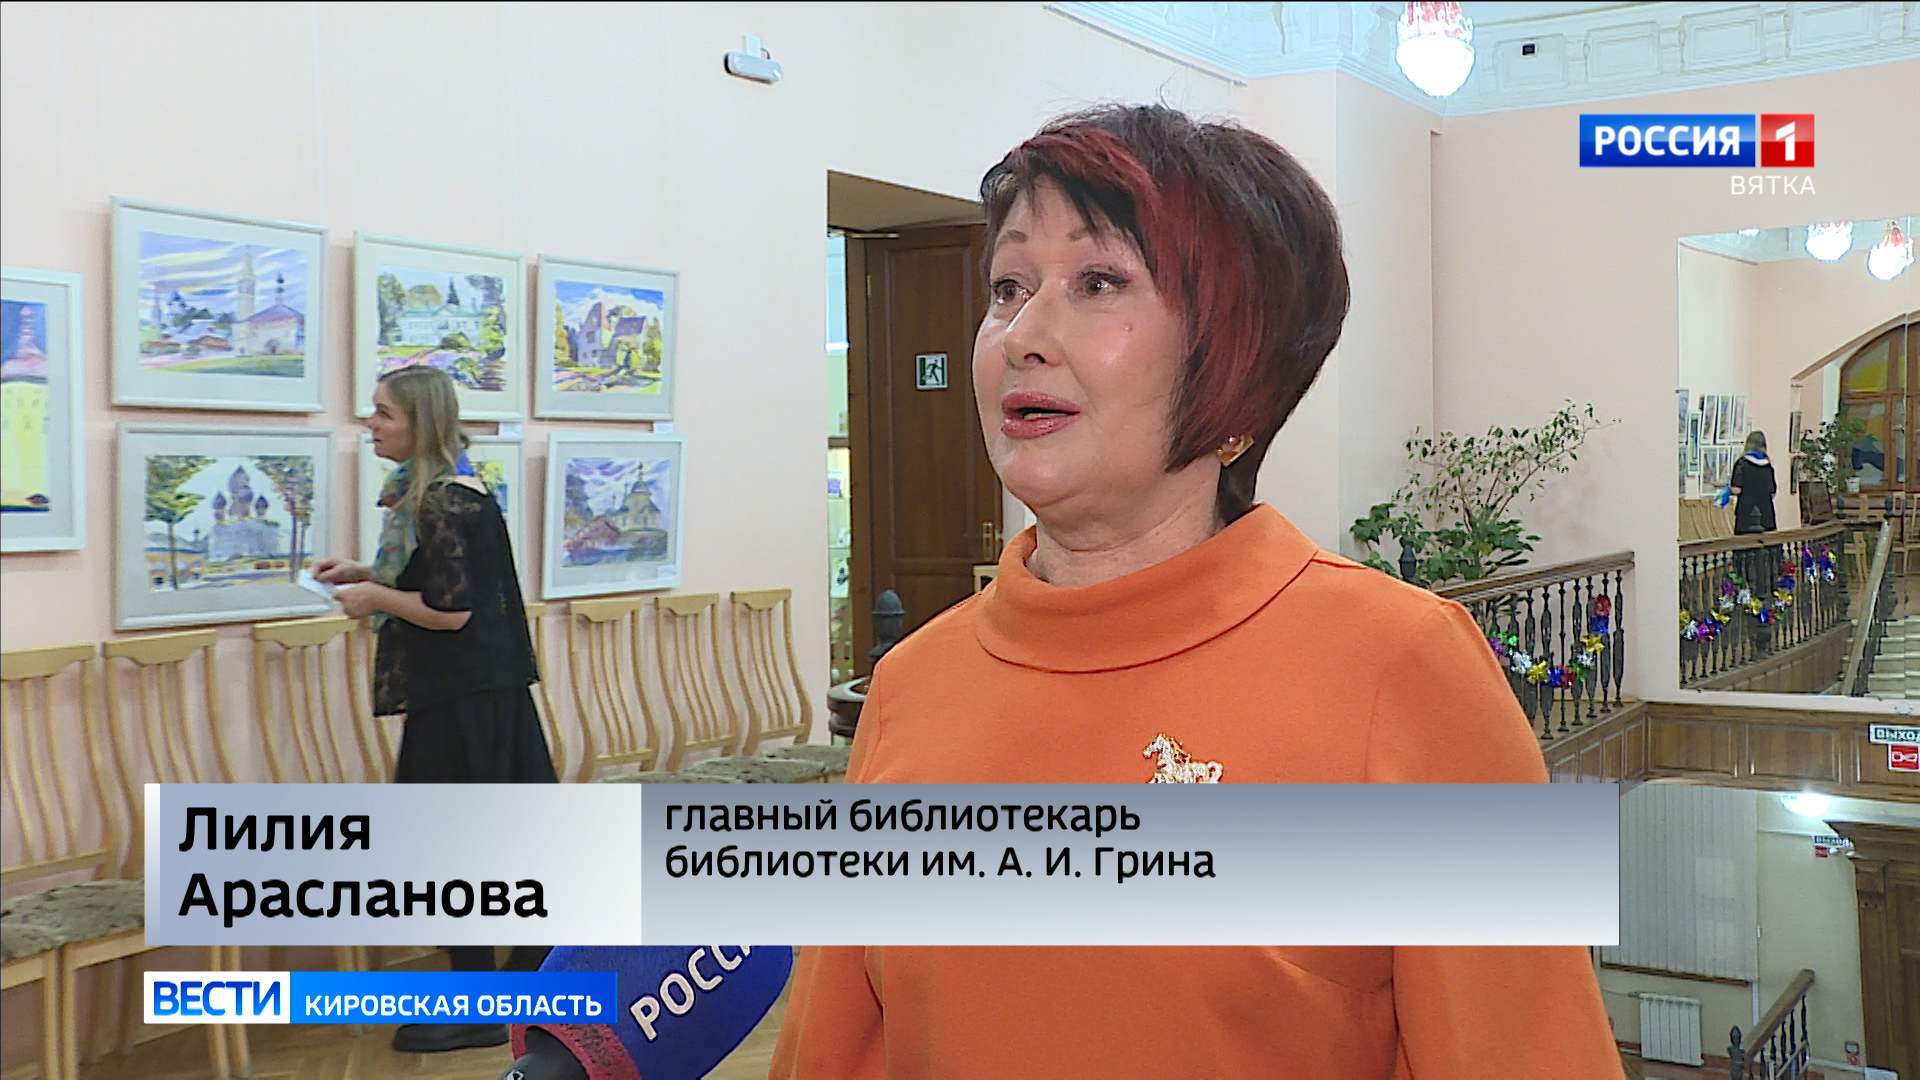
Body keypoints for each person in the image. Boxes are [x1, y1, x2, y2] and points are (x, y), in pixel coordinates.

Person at [771, 105, 1622, 1078]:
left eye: (1098, 282)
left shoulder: (1405, 668)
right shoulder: (914, 684)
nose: (1023, 335)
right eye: (1008, 287)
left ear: (1237, 360)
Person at [312, 365, 556, 1054]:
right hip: (483, 696)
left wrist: (374, 598)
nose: (371, 423)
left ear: (420, 424)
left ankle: (484, 1007)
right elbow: (443, 581)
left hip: (461, 702)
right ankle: (514, 990)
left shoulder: (440, 504)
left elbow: (451, 612)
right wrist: (366, 573)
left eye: (383, 413)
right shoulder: (450, 491)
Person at [1728, 430, 1777, 535]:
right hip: (1766, 513)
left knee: (1745, 542)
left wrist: (1725, 489)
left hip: (1746, 513)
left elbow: (1737, 489)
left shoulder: (1742, 463)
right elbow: (1772, 492)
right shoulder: (1767, 466)